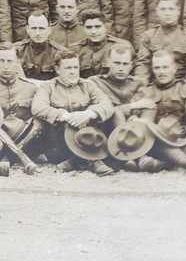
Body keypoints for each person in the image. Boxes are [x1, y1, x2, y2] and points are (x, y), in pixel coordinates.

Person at [30, 49, 116, 175]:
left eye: (76, 67)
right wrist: (65, 116)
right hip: (59, 147)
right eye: (68, 68)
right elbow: (37, 107)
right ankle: (92, 161)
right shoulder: (48, 87)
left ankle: (77, 161)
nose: (73, 72)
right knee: (68, 120)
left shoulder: (88, 85)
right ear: (58, 69)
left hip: (88, 140)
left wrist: (88, 114)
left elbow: (107, 104)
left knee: (104, 116)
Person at [131, 50, 186, 176]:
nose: (161, 72)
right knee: (152, 139)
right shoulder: (144, 91)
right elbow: (132, 114)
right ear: (153, 69)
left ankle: (164, 164)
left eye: (165, 67)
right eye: (157, 68)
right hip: (156, 142)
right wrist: (136, 120)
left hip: (184, 139)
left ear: (174, 68)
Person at [134, 0, 186, 86]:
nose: (167, 13)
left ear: (178, 11)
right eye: (163, 9)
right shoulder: (149, 36)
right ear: (157, 12)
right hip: (155, 87)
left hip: (181, 88)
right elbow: (143, 66)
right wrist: (144, 88)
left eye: (171, 9)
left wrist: (185, 91)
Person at [0, 42, 41, 172]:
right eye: (1, 61)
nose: (6, 66)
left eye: (10, 61)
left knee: (41, 118)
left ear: (18, 62)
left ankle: (7, 159)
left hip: (25, 142)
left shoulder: (30, 87)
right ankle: (18, 159)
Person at [89, 44, 145, 129]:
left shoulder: (139, 84)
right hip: (105, 130)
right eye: (117, 63)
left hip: (134, 131)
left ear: (131, 65)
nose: (121, 68)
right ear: (108, 63)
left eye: (125, 64)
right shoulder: (96, 83)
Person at [74, 10, 134, 79]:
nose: (93, 32)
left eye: (97, 27)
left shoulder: (123, 46)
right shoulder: (76, 49)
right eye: (89, 27)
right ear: (83, 29)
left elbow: (132, 76)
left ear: (105, 27)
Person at [15, 11, 63, 81]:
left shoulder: (60, 53)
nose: (37, 33)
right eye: (34, 28)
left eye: (41, 28)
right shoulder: (17, 50)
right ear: (27, 29)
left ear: (49, 30)